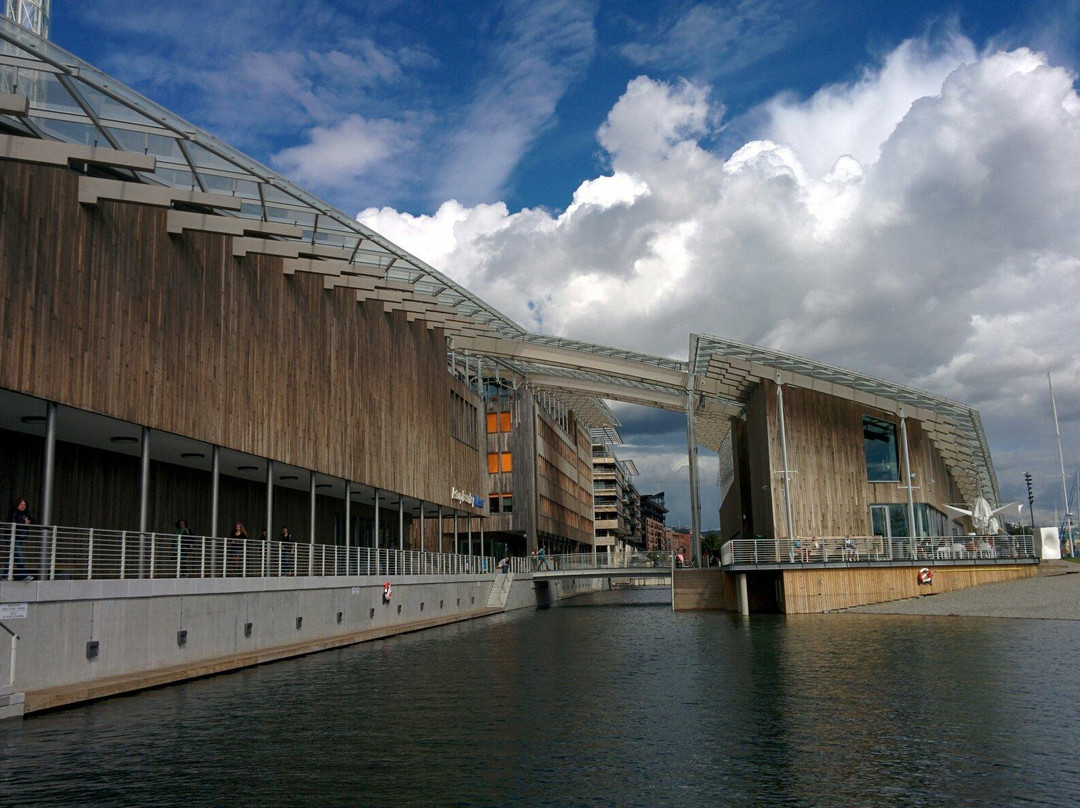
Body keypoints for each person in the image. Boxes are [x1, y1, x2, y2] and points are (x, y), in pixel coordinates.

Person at [4, 497, 35, 580]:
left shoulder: (26, 513)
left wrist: (29, 522)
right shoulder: (14, 512)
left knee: (12, 556)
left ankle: (4, 575)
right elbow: (13, 522)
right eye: (21, 504)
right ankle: (24, 575)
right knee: (19, 555)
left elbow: (33, 520)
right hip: (12, 536)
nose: (22, 506)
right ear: (17, 505)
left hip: (20, 537)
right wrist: (23, 523)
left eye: (24, 504)